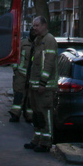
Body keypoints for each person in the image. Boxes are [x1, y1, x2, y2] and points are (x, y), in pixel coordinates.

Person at [24, 16, 58, 153]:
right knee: (37, 114)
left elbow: (48, 63)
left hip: (45, 86)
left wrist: (43, 82)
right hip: (35, 85)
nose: (34, 28)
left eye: (37, 25)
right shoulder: (38, 41)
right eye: (34, 26)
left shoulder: (49, 40)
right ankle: (36, 139)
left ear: (44, 25)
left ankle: (46, 142)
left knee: (45, 113)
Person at [9, 33, 33, 123]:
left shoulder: (39, 44)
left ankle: (29, 115)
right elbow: (16, 56)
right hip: (21, 75)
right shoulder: (23, 43)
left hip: (32, 76)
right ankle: (15, 114)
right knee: (19, 95)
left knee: (30, 96)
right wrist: (15, 69)